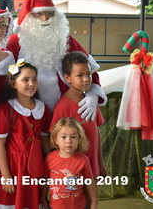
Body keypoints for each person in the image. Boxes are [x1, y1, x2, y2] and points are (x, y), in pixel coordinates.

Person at [8, 0, 107, 122]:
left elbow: (88, 70)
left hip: (67, 111)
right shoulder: (16, 43)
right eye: (39, 13)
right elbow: (4, 78)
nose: (45, 18)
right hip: (30, 114)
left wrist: (93, 94)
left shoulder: (67, 40)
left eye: (49, 13)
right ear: (29, 16)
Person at [49, 52, 107, 207]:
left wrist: (100, 163)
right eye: (79, 75)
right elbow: (54, 139)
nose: (86, 79)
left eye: (88, 74)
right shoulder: (63, 106)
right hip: (71, 173)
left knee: (92, 203)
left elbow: (96, 135)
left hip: (91, 169)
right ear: (67, 78)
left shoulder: (91, 102)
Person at [0, 60, 51, 209]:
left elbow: (45, 140)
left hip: (35, 166)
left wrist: (52, 163)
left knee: (32, 202)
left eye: (34, 80)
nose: (31, 84)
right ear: (13, 84)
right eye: (25, 80)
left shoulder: (43, 109)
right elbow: (0, 145)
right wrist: (6, 176)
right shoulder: (6, 109)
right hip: (13, 166)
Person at [42, 117, 97, 209]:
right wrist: (43, 198)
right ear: (56, 140)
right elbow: (46, 179)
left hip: (79, 206)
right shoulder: (49, 159)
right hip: (55, 206)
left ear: (79, 139)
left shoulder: (83, 160)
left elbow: (89, 181)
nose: (68, 141)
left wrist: (94, 202)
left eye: (73, 137)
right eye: (63, 137)